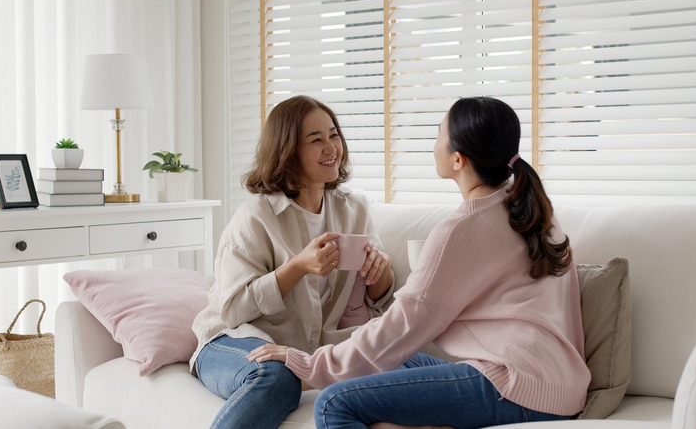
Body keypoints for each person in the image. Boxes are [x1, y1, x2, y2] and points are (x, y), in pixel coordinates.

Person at [250, 96, 591, 428]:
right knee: (394, 362)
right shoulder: (534, 209)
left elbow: (403, 324)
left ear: (458, 159)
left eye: (438, 134)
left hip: (515, 387)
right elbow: (396, 343)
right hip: (563, 386)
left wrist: (310, 364)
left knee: (334, 403)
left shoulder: (463, 229)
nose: (433, 145)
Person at [190, 95, 395, 429]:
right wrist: (297, 267)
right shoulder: (257, 215)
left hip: (300, 352)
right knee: (277, 377)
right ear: (287, 152)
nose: (331, 147)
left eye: (334, 135)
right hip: (232, 340)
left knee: (396, 361)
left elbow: (380, 299)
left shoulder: (354, 209)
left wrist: (380, 269)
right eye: (316, 140)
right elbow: (232, 310)